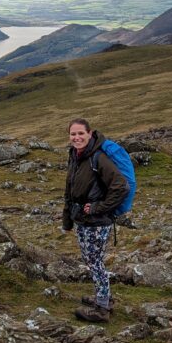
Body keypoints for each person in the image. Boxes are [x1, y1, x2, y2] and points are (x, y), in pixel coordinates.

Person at [62, 118, 129, 322]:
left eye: (81, 133)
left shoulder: (98, 158)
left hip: (97, 222)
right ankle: (104, 298)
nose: (77, 137)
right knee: (92, 261)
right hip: (82, 219)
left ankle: (102, 309)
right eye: (73, 134)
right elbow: (70, 189)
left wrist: (98, 208)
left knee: (94, 262)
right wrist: (67, 219)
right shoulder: (75, 156)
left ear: (90, 134)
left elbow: (121, 186)